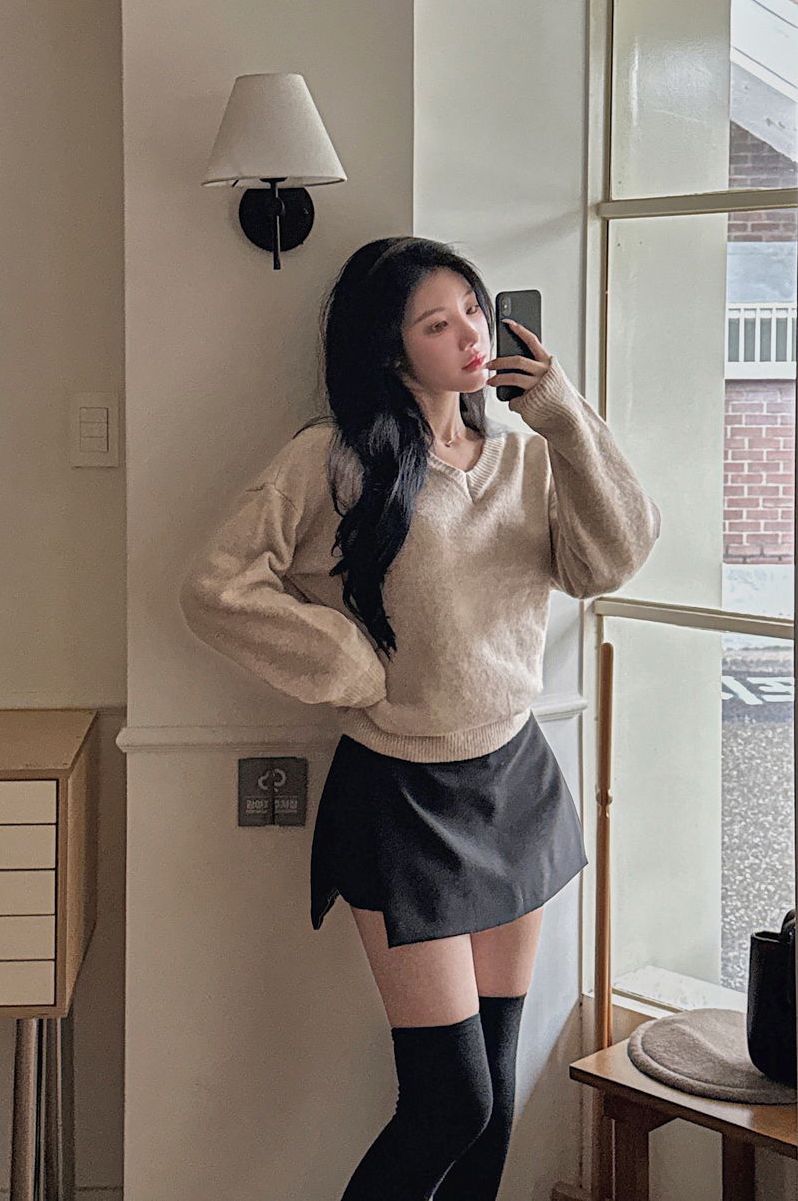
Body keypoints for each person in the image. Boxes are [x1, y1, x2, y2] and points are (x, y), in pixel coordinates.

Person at [179, 236, 660, 1200]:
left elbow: (610, 559)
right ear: (390, 350)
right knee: (450, 1102)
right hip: (400, 795)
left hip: (514, 781)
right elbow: (217, 586)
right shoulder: (334, 460)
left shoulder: (524, 459)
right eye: (438, 324)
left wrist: (562, 413)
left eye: (474, 310)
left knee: (496, 1098)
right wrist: (347, 662)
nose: (472, 335)